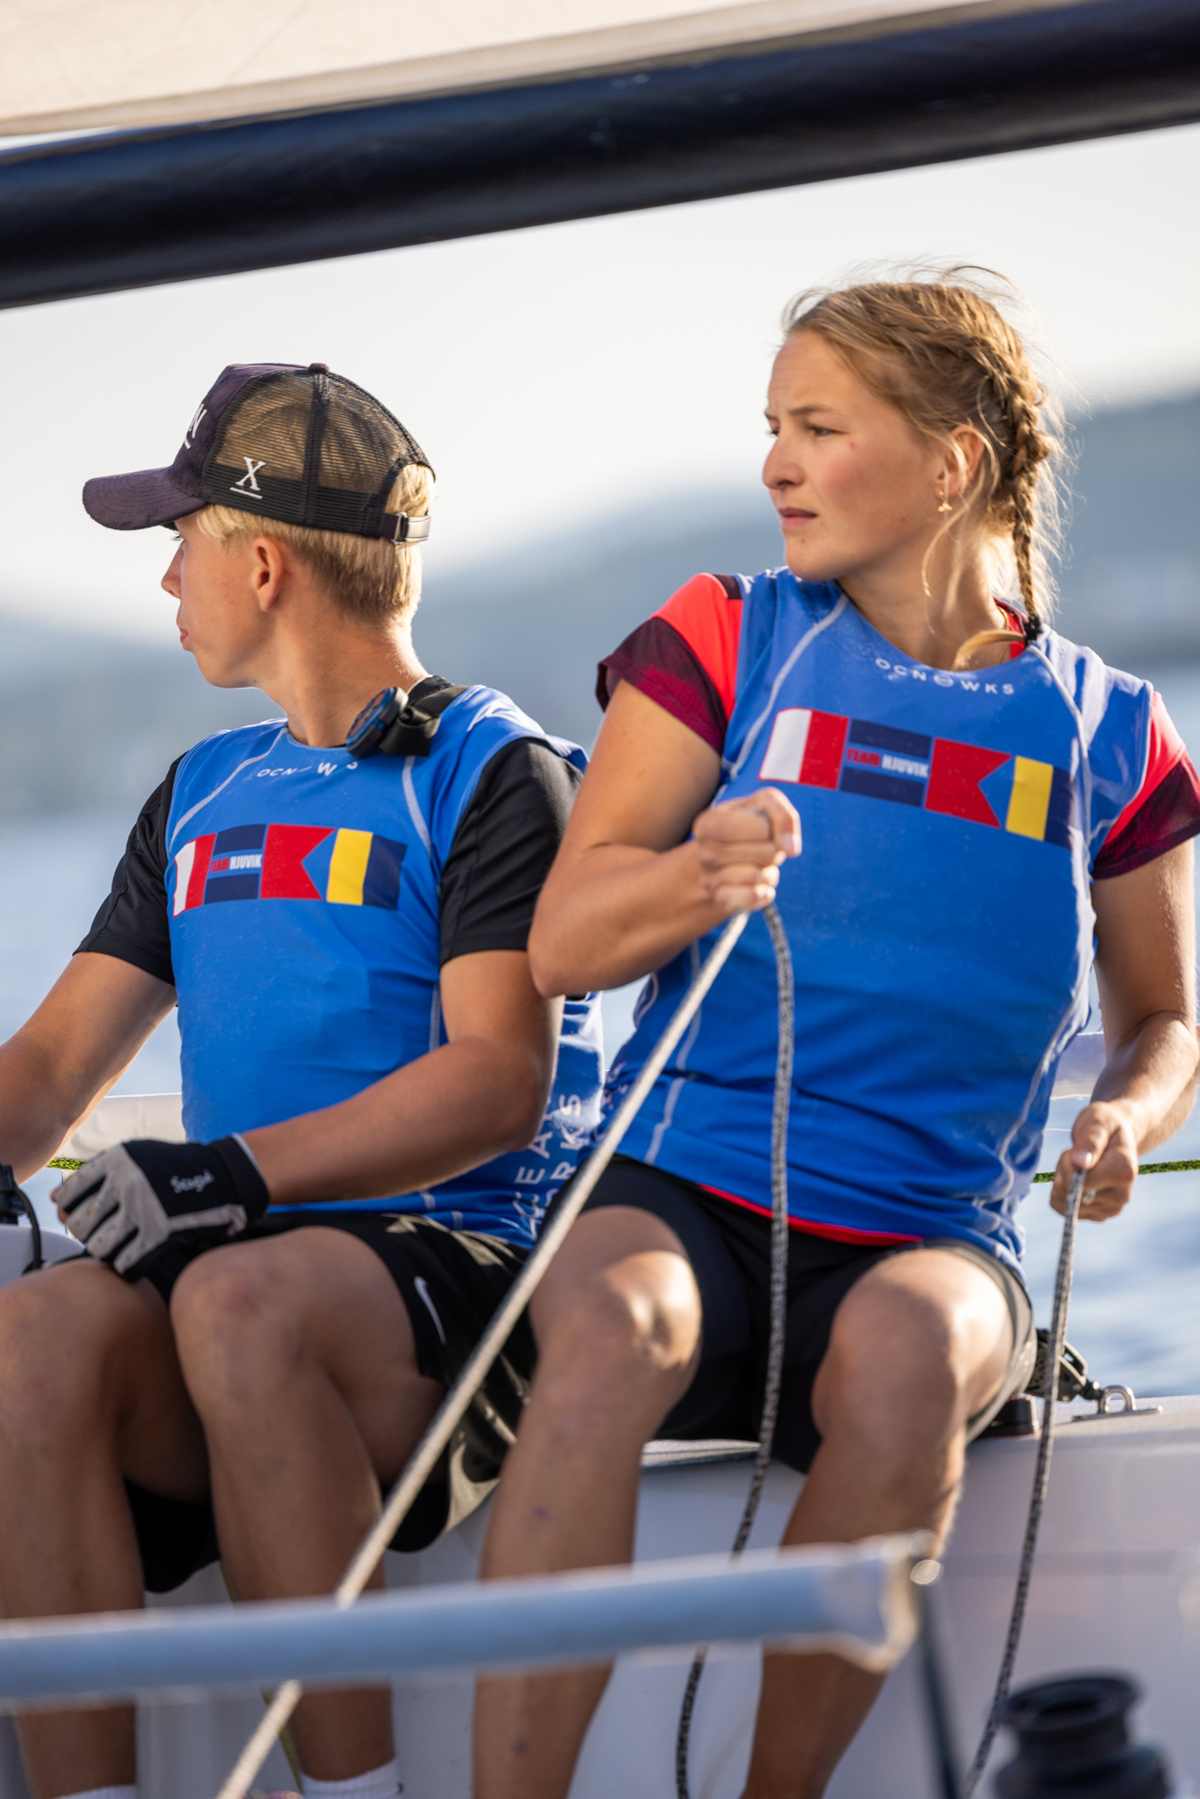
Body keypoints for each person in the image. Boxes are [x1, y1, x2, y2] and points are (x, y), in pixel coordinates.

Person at [472, 275, 1200, 1798]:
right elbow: (565, 942)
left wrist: (1128, 1118)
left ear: (952, 464)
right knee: (612, 1324)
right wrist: (693, 877)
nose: (775, 466)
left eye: (817, 428)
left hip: (933, 1238)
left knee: (914, 1348)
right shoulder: (726, 637)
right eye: (772, 429)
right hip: (684, 1194)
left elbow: (1166, 1020)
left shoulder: (1113, 732)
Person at [0, 362, 602, 1799]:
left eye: (179, 543)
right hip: (247, 1268)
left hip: (464, 1285)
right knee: (28, 1339)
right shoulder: (202, 792)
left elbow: (498, 1084)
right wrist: (219, 1194)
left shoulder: (493, 772)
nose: (166, 582)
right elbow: (48, 1073)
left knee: (237, 1299)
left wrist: (228, 1177)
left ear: (262, 564)